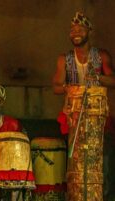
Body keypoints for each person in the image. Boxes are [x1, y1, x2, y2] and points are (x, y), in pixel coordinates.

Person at [52, 12, 115, 201]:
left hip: (97, 119)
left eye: (80, 29)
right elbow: (55, 86)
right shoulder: (64, 59)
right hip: (74, 118)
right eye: (72, 30)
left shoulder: (101, 56)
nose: (75, 33)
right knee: (75, 164)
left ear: (89, 31)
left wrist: (98, 78)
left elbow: (113, 80)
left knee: (101, 164)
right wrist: (67, 88)